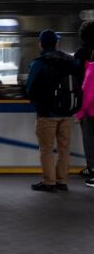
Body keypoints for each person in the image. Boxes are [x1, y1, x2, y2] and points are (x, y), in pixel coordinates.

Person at [26, 29, 79, 192]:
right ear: (56, 43)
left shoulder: (38, 63)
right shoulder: (71, 61)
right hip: (67, 112)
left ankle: (49, 182)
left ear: (41, 44)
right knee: (64, 148)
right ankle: (62, 181)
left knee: (46, 149)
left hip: (47, 114)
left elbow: (29, 88)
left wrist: (38, 104)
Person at [74, 20, 94, 187]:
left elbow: (81, 80)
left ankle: (92, 168)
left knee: (89, 137)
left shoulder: (82, 52)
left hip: (89, 105)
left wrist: (80, 109)